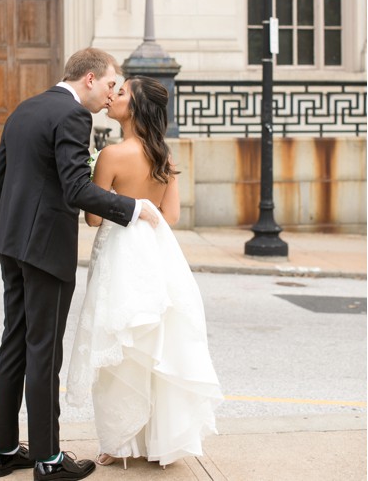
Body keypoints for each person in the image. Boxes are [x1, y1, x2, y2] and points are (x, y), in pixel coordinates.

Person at [0, 48, 159, 480]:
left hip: (11, 243)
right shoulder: (73, 116)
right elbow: (76, 188)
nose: (110, 95)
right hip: (44, 249)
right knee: (44, 351)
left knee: (14, 343)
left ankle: (4, 452)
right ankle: (47, 460)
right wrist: (133, 208)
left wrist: (10, 233)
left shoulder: (25, 109)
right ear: (89, 79)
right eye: (110, 85)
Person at [66, 76, 222, 468]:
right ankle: (159, 440)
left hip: (120, 256)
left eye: (120, 93)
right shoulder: (163, 157)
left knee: (121, 345)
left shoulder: (112, 156)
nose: (112, 96)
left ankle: (118, 442)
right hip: (157, 254)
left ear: (133, 108)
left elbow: (92, 218)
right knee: (158, 344)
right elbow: (169, 216)